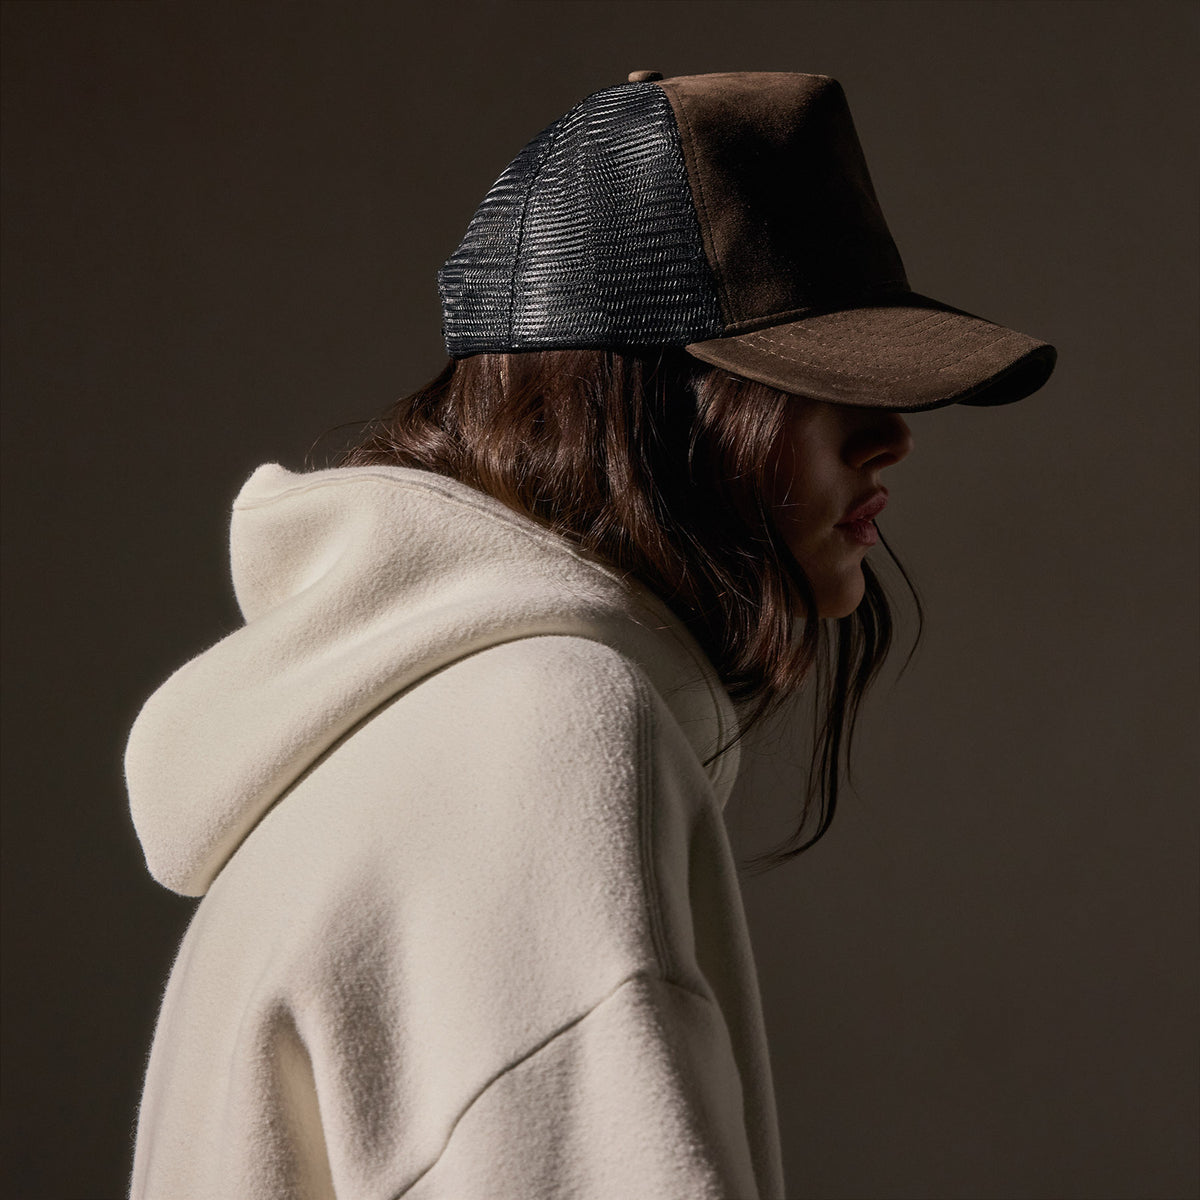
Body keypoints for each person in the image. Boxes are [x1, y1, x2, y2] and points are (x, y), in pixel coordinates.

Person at [125, 70, 1055, 1199]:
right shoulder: (546, 731)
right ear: (639, 404)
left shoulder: (393, 741)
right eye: (818, 380)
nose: (892, 436)